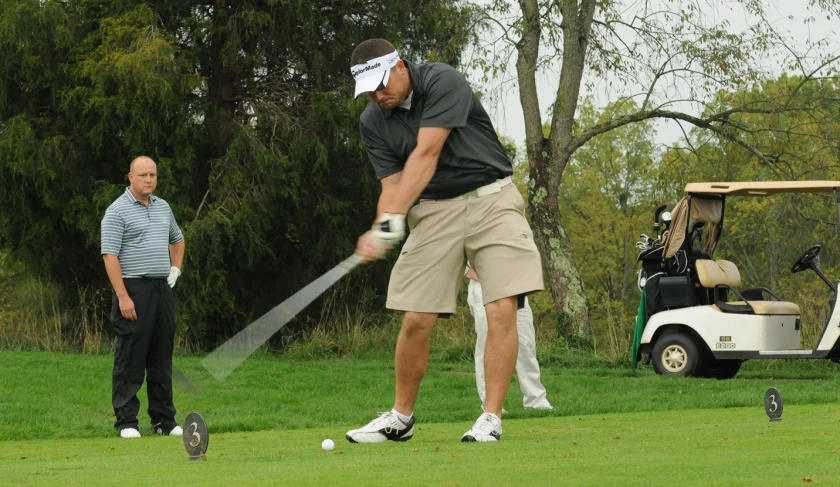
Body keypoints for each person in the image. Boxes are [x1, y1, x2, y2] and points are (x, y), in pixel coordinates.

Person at [345, 38, 544, 443]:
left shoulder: (442, 80)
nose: (376, 94)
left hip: (492, 198)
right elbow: (393, 183)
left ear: (400, 66)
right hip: (434, 211)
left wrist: (388, 222)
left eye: (381, 83)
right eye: (368, 89)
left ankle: (491, 417)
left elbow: (425, 155)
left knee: (501, 307)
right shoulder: (372, 121)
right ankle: (400, 419)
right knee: (416, 317)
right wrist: (383, 226)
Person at [101, 156, 185, 439]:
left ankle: (164, 420)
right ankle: (126, 422)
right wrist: (123, 296)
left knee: (162, 356)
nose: (149, 179)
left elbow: (177, 238)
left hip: (162, 289)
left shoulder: (163, 207)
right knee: (131, 356)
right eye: (143, 175)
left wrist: (176, 267)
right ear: (130, 177)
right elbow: (110, 256)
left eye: (153, 175)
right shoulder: (117, 211)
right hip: (133, 290)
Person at [465, 264, 552, 410]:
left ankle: (536, 401)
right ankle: (491, 405)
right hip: (484, 286)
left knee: (526, 346)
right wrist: (467, 270)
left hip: (515, 286)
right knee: (488, 346)